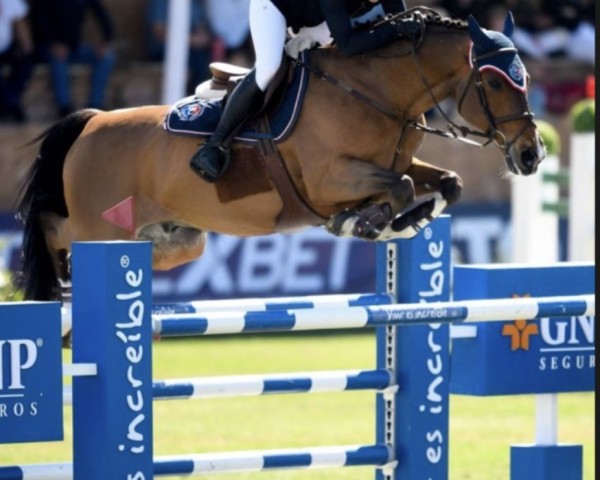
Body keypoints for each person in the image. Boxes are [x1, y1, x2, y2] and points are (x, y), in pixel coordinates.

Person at [189, 0, 419, 183]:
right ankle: (214, 145)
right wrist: (396, 29)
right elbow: (349, 45)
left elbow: (400, 30)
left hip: (319, 18)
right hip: (275, 7)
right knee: (270, 67)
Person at [29, 0, 115, 117]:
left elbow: (102, 15)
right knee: (58, 61)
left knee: (106, 57)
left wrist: (106, 41)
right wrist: (53, 44)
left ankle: (95, 105)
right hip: (48, 48)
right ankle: (64, 108)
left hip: (75, 48)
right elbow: (38, 22)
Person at [147, 0, 213, 95]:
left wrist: (203, 38)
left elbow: (201, 27)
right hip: (163, 51)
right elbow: (160, 32)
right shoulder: (161, 2)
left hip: (194, 51)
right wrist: (190, 39)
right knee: (188, 60)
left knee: (205, 60)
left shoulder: (194, 3)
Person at [0, 0, 34, 123]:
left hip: (6, 50)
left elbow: (21, 24)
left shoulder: (10, 1)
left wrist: (27, 51)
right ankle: (11, 106)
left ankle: (8, 103)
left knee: (25, 63)